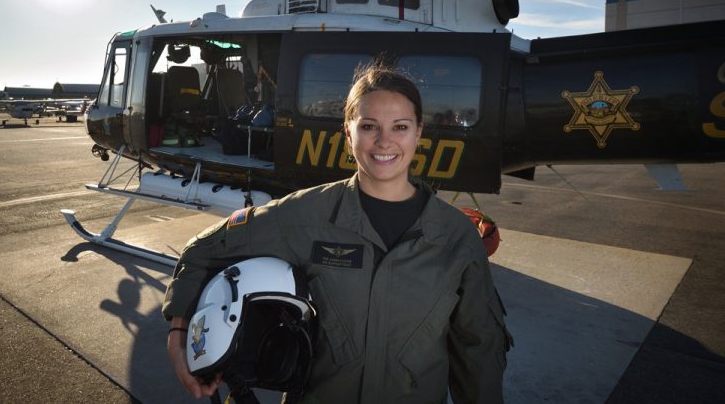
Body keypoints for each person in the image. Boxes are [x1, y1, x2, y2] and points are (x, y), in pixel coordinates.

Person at [162, 62, 512, 403]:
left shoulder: (456, 237)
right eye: (370, 126)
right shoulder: (304, 214)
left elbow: (478, 349)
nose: (384, 141)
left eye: (400, 127)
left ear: (419, 131)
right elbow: (203, 250)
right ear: (348, 131)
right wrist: (180, 333)